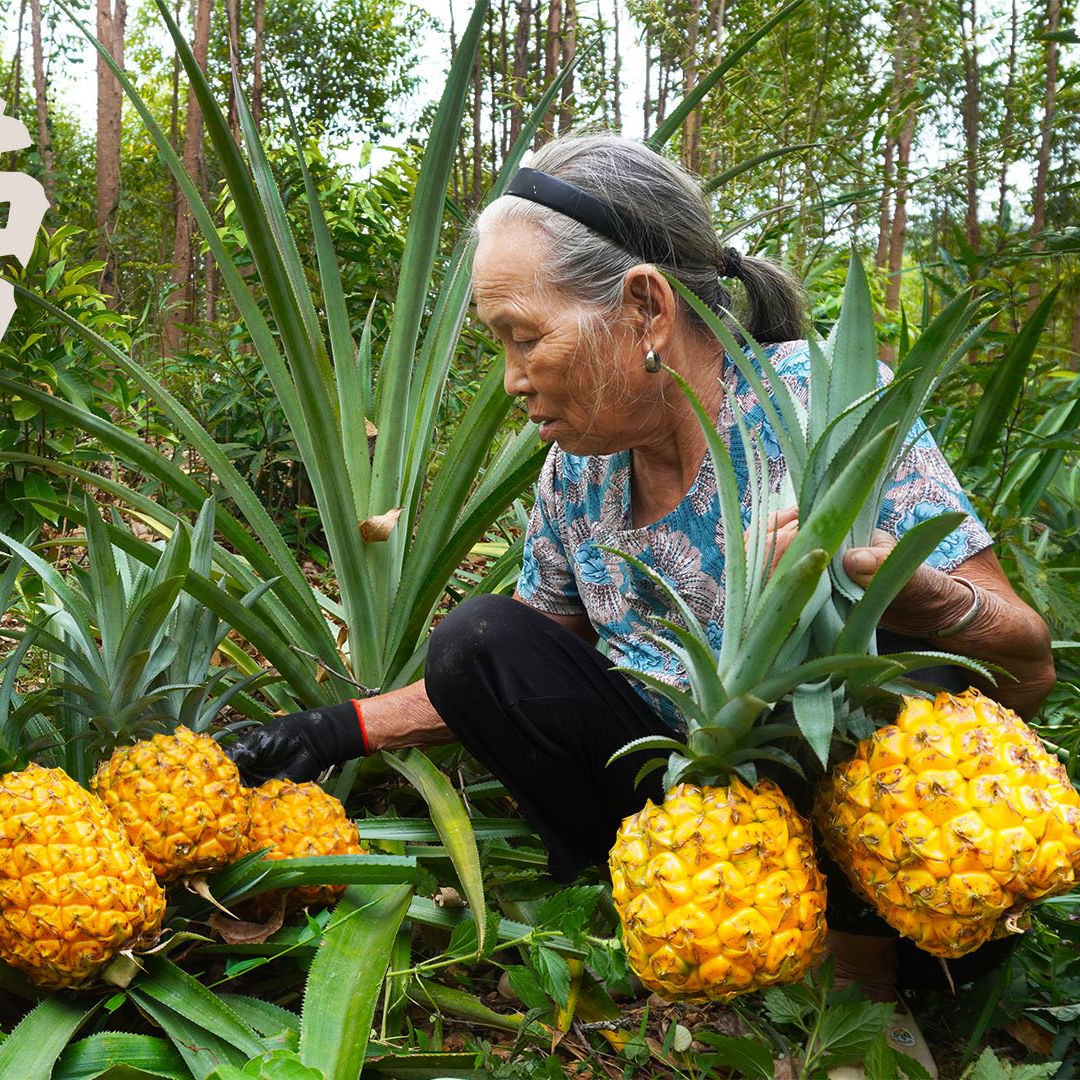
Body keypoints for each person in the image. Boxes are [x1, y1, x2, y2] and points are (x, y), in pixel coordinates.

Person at [226, 133, 1056, 1072]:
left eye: (524, 336)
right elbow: (516, 664)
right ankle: (681, 918)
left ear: (645, 308)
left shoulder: (824, 405)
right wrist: (338, 730)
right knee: (478, 638)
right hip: (689, 819)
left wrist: (922, 597)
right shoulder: (576, 478)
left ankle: (861, 987)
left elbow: (1028, 665)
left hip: (899, 846)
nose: (511, 380)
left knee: (893, 637)